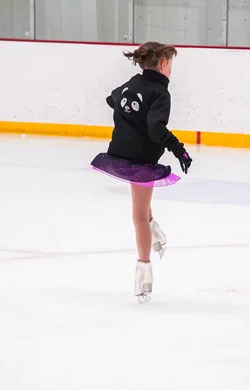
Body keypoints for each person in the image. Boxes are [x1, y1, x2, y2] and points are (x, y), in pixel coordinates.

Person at [90, 41, 192, 302]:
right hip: (141, 160)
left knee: (141, 205)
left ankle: (155, 230)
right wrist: (179, 150)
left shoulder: (131, 84)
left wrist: (129, 113)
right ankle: (143, 270)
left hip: (119, 154)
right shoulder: (160, 92)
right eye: (172, 65)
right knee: (138, 214)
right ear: (164, 64)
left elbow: (113, 98)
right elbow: (156, 129)